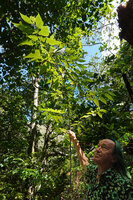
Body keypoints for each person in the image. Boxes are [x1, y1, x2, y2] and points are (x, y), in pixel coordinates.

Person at [68, 130, 133, 200]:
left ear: (114, 158)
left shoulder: (123, 186)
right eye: (98, 146)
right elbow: (84, 161)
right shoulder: (94, 173)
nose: (98, 150)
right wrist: (74, 140)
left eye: (104, 148)